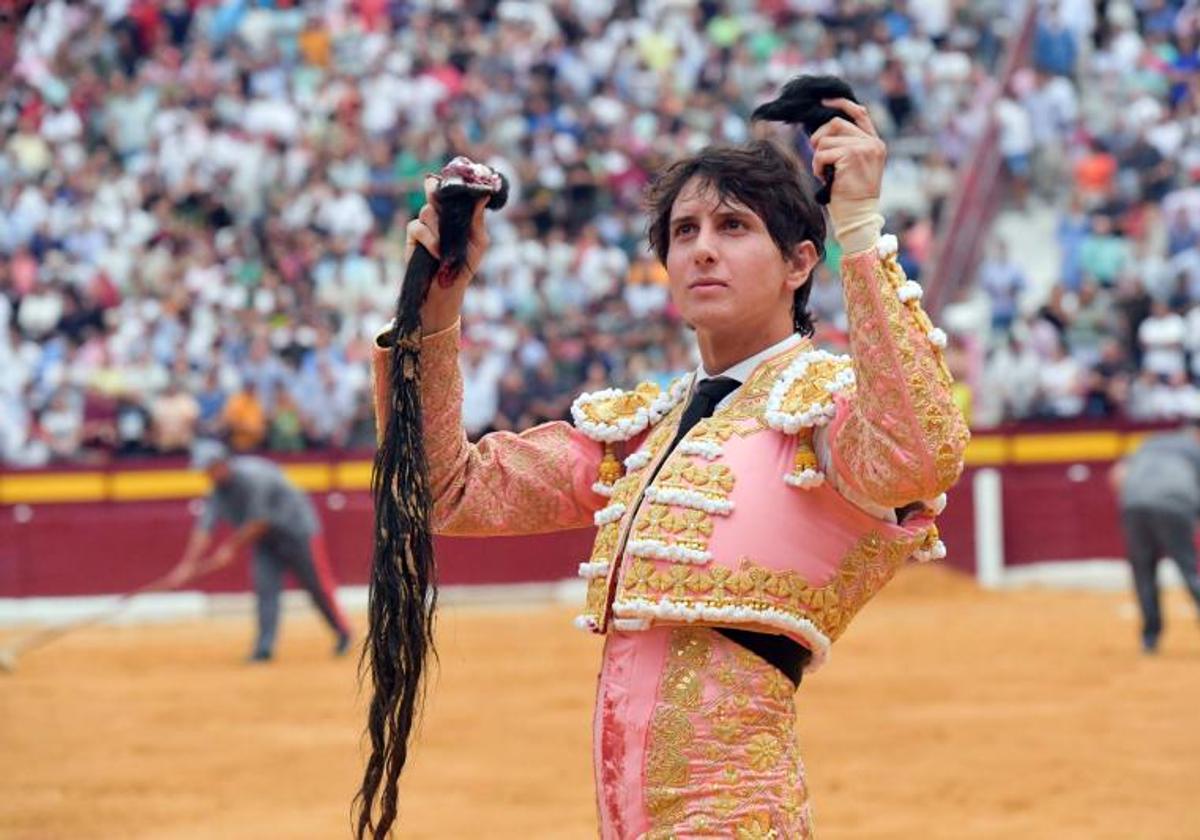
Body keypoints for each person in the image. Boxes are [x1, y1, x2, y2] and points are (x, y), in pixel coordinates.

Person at [373, 101, 968, 836]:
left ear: (799, 263)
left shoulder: (828, 415)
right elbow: (446, 492)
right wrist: (436, 313)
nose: (702, 250)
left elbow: (922, 448)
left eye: (734, 227)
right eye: (683, 232)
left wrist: (861, 229)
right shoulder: (643, 433)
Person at [168, 439, 352, 662]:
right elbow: (203, 529)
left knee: (316, 586)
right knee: (265, 589)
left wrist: (229, 548)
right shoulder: (217, 492)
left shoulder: (255, 477)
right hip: (266, 541)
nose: (208, 475)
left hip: (298, 533)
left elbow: (259, 521)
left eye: (209, 469)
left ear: (221, 463)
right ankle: (264, 648)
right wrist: (187, 565)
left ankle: (343, 633)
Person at [1111, 421, 1200, 653]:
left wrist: (1129, 504)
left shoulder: (1150, 443)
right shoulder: (1194, 449)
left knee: (1143, 571)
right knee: (1189, 569)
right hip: (1174, 505)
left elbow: (1118, 474)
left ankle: (1150, 638)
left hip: (1134, 505)